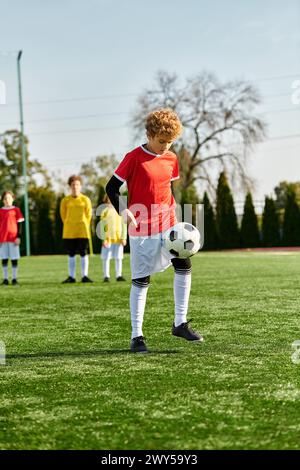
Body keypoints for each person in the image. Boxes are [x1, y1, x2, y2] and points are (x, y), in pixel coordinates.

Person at [106, 108, 203, 353]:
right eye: (161, 141)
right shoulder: (133, 158)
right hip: (141, 228)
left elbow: (167, 188)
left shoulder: (171, 158)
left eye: (170, 142)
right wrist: (123, 210)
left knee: (184, 264)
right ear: (150, 134)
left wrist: (179, 218)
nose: (165, 147)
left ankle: (180, 323)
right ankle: (136, 336)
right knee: (141, 279)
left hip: (168, 224)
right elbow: (111, 187)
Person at [60, 175, 93, 283]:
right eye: (73, 184)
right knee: (71, 253)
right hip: (69, 231)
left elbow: (89, 214)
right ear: (70, 186)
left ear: (81, 186)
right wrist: (69, 223)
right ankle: (71, 277)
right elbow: (63, 215)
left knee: (83, 252)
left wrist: (83, 223)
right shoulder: (65, 200)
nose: (75, 187)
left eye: (77, 184)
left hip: (83, 230)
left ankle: (85, 276)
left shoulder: (85, 199)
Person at [100, 195, 127, 282]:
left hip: (118, 239)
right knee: (106, 258)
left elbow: (124, 224)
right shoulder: (104, 210)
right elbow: (102, 226)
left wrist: (124, 237)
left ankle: (118, 275)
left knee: (119, 258)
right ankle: (106, 276)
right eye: (109, 198)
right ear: (106, 199)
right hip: (108, 239)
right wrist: (103, 238)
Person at [0, 191, 24, 285]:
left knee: (14, 259)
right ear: (2, 200)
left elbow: (20, 224)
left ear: (13, 199)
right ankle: (5, 279)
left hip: (13, 239)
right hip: (2, 239)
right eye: (5, 198)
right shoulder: (0, 211)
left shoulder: (16, 210)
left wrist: (18, 237)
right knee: (4, 259)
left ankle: (14, 279)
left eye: (9, 198)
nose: (7, 200)